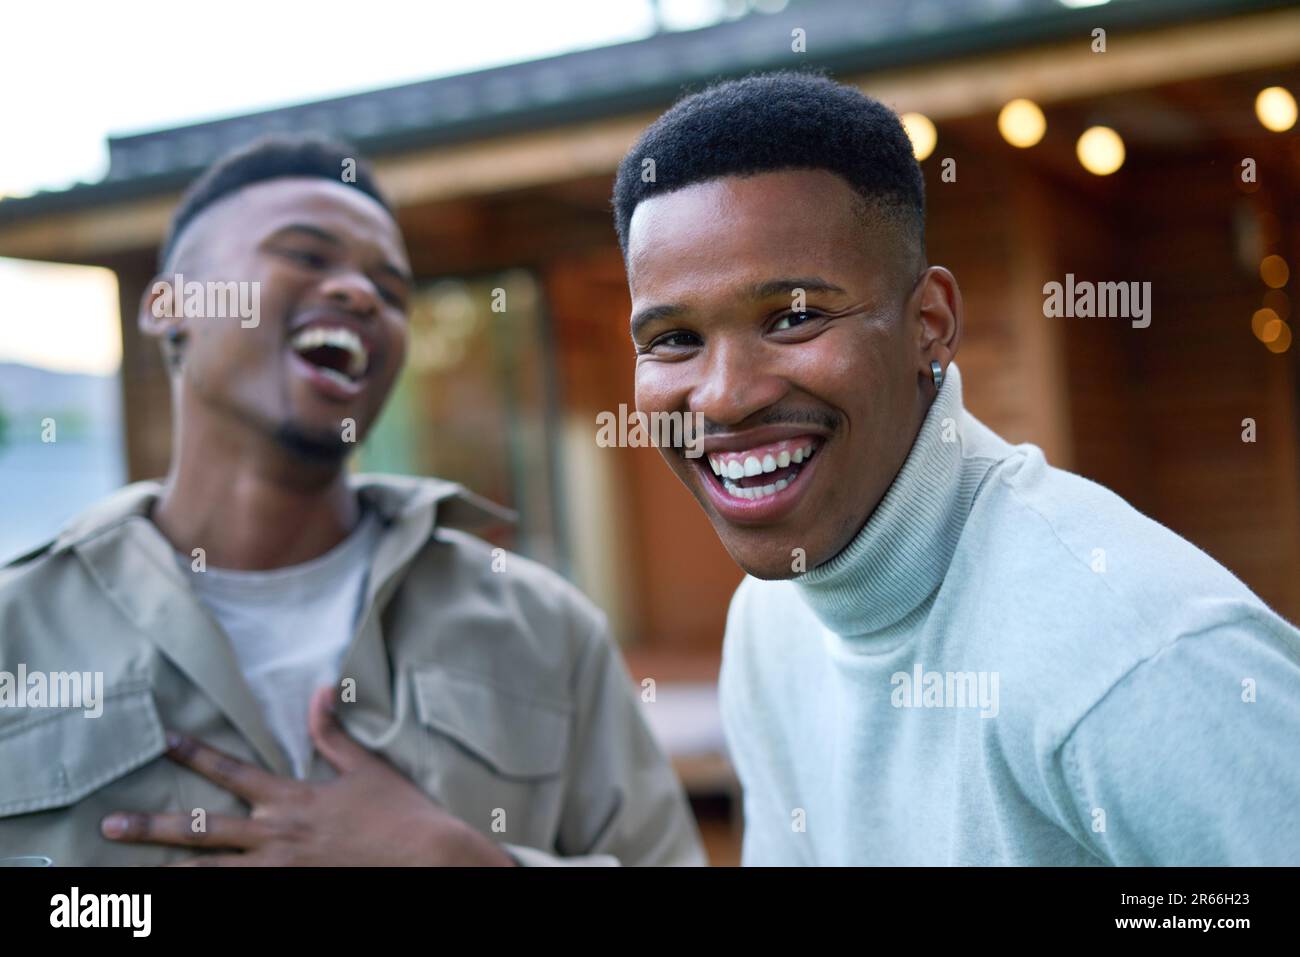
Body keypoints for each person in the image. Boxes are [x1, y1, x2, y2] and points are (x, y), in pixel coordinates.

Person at [612, 71, 1300, 865]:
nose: (725, 396)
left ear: (929, 324)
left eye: (796, 317)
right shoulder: (769, 627)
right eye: (672, 338)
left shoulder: (1140, 656)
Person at [0, 135, 703, 866]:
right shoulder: (14, 631)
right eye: (305, 255)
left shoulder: (546, 629)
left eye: (392, 291)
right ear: (170, 305)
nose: (360, 293)